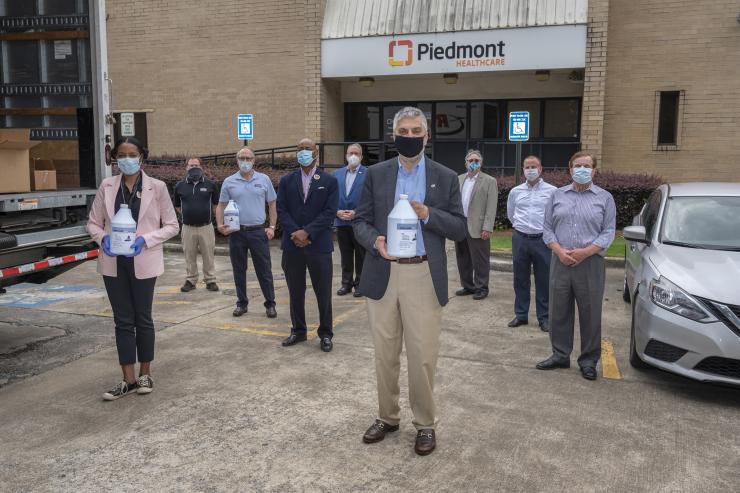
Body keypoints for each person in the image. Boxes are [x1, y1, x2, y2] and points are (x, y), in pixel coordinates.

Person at [353, 106, 467, 456]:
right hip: (383, 271)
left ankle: (425, 424)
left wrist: (428, 215)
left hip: (422, 273)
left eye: (416, 131)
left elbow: (461, 228)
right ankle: (387, 416)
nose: (410, 136)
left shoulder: (445, 176)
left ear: (426, 135)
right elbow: (360, 221)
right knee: (384, 354)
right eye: (404, 130)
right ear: (394, 135)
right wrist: (375, 241)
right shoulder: (376, 173)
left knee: (422, 356)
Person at [86, 136, 179, 400]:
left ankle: (145, 372)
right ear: (115, 158)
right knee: (122, 321)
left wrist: (145, 240)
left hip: (143, 260)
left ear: (142, 157)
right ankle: (127, 379)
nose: (126, 159)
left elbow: (172, 225)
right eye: (121, 155)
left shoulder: (157, 187)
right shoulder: (107, 186)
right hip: (113, 261)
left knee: (143, 318)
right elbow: (93, 223)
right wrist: (103, 239)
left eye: (132, 154)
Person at [536, 151, 616, 381]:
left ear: (594, 170)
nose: (582, 169)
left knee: (590, 313)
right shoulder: (557, 196)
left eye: (586, 166)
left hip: (590, 263)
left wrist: (586, 252)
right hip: (560, 261)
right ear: (570, 170)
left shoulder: (605, 198)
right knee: (558, 310)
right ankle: (560, 355)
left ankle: (589, 360)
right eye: (577, 166)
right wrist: (559, 251)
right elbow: (547, 228)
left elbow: (609, 231)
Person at [277, 138, 339, 352]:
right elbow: (282, 211)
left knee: (323, 292)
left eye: (308, 149)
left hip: (319, 245)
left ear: (316, 153)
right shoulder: (286, 181)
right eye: (300, 149)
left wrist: (308, 231)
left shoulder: (329, 181)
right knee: (295, 291)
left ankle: (326, 333)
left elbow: (330, 213)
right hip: (292, 244)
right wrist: (295, 232)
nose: (304, 152)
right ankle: (298, 330)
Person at [216, 147, 278, 318]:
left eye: (248, 158)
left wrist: (272, 227)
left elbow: (272, 203)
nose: (245, 161)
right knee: (239, 270)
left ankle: (270, 304)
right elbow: (221, 205)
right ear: (237, 160)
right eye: (241, 158)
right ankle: (242, 303)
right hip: (236, 232)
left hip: (258, 232)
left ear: (254, 160)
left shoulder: (264, 179)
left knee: (264, 270)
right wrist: (220, 224)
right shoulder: (229, 181)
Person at [506, 155, 556, 331]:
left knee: (544, 280)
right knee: (520, 279)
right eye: (527, 167)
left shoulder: (552, 191)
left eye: (534, 166)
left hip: (542, 240)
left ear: (541, 169)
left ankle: (544, 318)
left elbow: (555, 217)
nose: (530, 170)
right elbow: (511, 214)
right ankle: (521, 315)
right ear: (523, 170)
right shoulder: (515, 192)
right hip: (520, 239)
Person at [454, 149, 498, 300]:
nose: (473, 163)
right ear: (465, 163)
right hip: (460, 224)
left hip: (478, 226)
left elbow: (491, 207)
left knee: (480, 259)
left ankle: (481, 288)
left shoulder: (489, 181)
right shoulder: (459, 179)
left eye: (476, 161)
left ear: (481, 163)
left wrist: (487, 227)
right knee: (462, 257)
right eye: (471, 161)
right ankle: (468, 286)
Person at [174, 157, 219, 293]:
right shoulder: (179, 186)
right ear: (187, 167)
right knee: (189, 255)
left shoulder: (211, 185)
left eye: (196, 165)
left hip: (206, 227)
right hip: (188, 228)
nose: (194, 167)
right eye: (191, 165)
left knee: (208, 255)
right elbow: (177, 206)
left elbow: (216, 205)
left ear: (201, 167)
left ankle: (210, 280)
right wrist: (189, 214)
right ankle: (191, 280)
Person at [333, 143, 367, 297]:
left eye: (357, 153)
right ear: (346, 155)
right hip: (341, 222)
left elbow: (371, 200)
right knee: (345, 256)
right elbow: (331, 197)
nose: (353, 156)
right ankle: (346, 284)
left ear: (361, 156)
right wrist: (336, 212)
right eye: (350, 153)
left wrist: (356, 213)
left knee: (361, 255)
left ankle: (360, 284)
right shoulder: (337, 174)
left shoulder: (368, 174)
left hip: (359, 222)